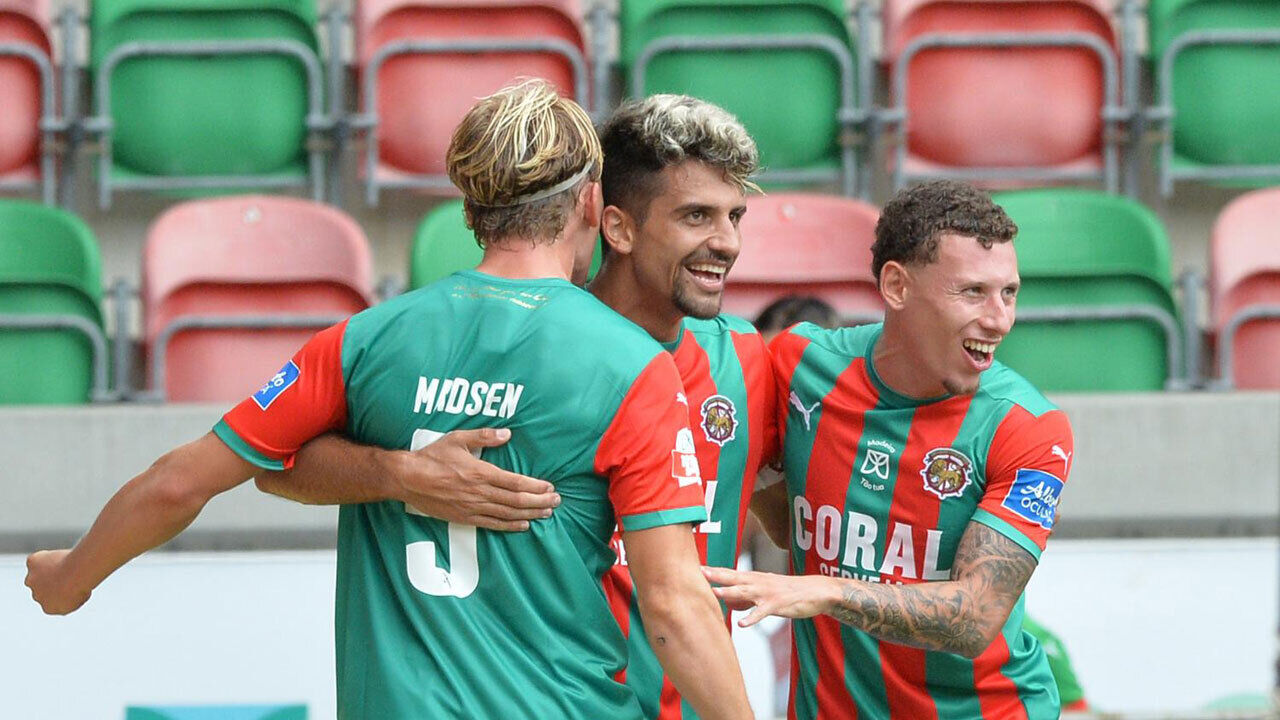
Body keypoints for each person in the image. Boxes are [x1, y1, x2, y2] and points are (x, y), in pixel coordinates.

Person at [25, 80, 753, 720]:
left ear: (470, 208)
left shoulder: (363, 340)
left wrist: (70, 577)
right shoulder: (630, 364)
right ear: (593, 203)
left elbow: (180, 481)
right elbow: (673, 606)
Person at [255, 93, 778, 720]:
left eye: (736, 216)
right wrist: (392, 473)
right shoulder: (512, 349)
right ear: (613, 223)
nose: (727, 243)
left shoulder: (748, 358)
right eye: (697, 216)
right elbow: (276, 463)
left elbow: (791, 506)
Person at [708, 180, 1075, 720]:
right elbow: (790, 525)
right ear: (897, 286)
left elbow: (974, 618)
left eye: (1009, 293)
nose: (999, 319)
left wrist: (829, 591)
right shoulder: (799, 365)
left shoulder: (1029, 427)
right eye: (972, 292)